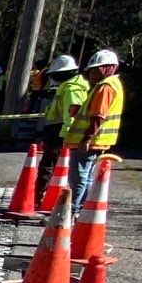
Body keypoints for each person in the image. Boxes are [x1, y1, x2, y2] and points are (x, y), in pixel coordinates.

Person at [65, 47, 124, 212]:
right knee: (85, 177)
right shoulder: (110, 84)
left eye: (96, 70)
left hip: (90, 142)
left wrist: (86, 139)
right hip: (97, 141)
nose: (92, 74)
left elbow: (98, 116)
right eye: (91, 71)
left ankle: (72, 211)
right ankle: (80, 210)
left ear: (107, 68)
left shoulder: (105, 87)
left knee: (78, 178)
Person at [38, 52, 85, 193]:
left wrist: (65, 136)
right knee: (49, 166)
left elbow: (71, 115)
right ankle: (40, 194)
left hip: (59, 134)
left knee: (48, 166)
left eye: (55, 74)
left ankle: (38, 195)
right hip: (55, 132)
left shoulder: (72, 89)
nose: (53, 77)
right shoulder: (66, 87)